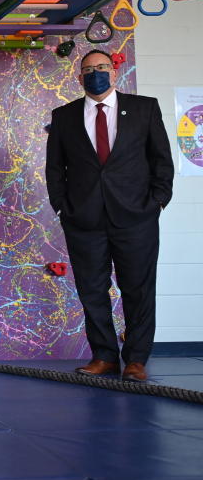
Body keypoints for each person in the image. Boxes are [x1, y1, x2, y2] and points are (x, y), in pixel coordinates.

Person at [45, 49, 173, 382]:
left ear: (114, 72)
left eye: (101, 67)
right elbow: (55, 168)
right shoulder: (64, 116)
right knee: (92, 291)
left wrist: (157, 201)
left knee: (138, 290)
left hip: (136, 218)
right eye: (88, 69)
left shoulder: (145, 108)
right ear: (79, 78)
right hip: (84, 220)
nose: (95, 73)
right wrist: (62, 206)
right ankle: (104, 356)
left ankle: (136, 360)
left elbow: (161, 160)